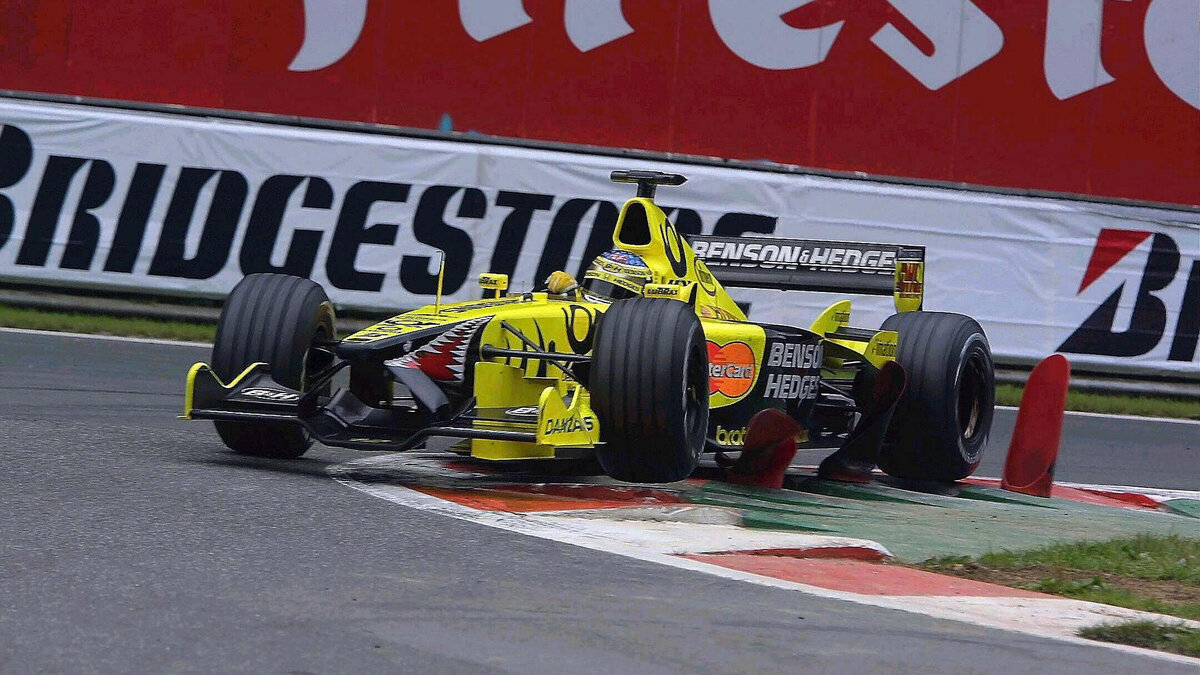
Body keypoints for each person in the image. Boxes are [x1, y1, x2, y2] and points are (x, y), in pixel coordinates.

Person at [544, 249, 652, 303]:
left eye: (616, 292)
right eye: (599, 287)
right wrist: (548, 289)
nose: (600, 297)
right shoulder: (572, 296)